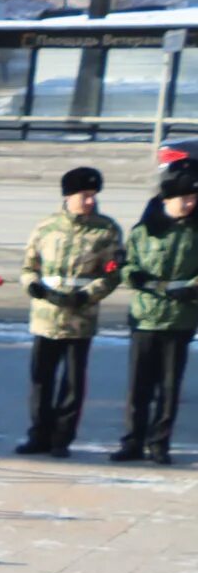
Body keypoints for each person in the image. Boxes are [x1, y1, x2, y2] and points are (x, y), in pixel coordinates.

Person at [18, 165, 125, 457]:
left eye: (93, 195)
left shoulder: (106, 230)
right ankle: (38, 435)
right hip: (46, 317)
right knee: (41, 380)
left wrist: (88, 295)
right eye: (84, 195)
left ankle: (60, 439)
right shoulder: (46, 227)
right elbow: (29, 266)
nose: (90, 201)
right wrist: (33, 286)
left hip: (81, 317)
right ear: (67, 196)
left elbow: (114, 273)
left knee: (73, 384)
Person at [114, 164, 198, 465]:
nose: (189, 203)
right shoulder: (144, 230)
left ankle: (159, 443)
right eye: (184, 198)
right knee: (139, 385)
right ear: (167, 199)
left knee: (169, 386)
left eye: (193, 198)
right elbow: (127, 263)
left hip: (180, 317)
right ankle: (132, 442)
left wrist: (192, 288)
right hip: (146, 317)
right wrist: (131, 275)